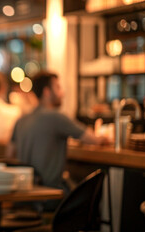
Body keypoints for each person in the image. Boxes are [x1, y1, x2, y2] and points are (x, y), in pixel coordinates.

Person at [8, 71, 108, 205]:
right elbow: (94, 140)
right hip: (49, 195)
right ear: (47, 91)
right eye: (58, 87)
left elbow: (8, 155)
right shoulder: (56, 117)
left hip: (22, 197)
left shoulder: (21, 120)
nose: (62, 92)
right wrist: (108, 136)